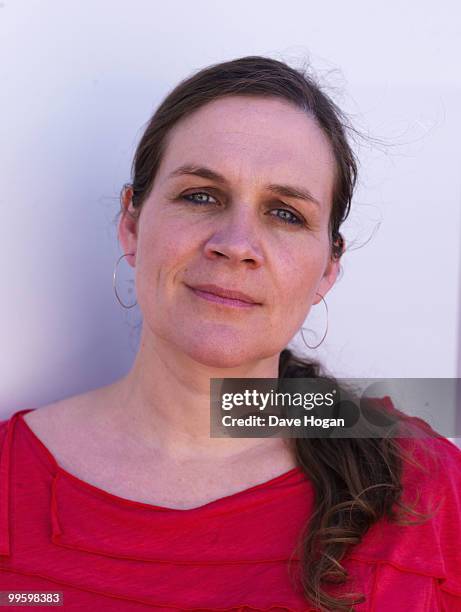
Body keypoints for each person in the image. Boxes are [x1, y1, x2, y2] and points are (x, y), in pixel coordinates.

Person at [1, 55, 460, 611]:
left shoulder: (431, 488)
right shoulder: (8, 476)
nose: (236, 243)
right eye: (201, 196)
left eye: (285, 213)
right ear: (131, 223)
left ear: (327, 268)